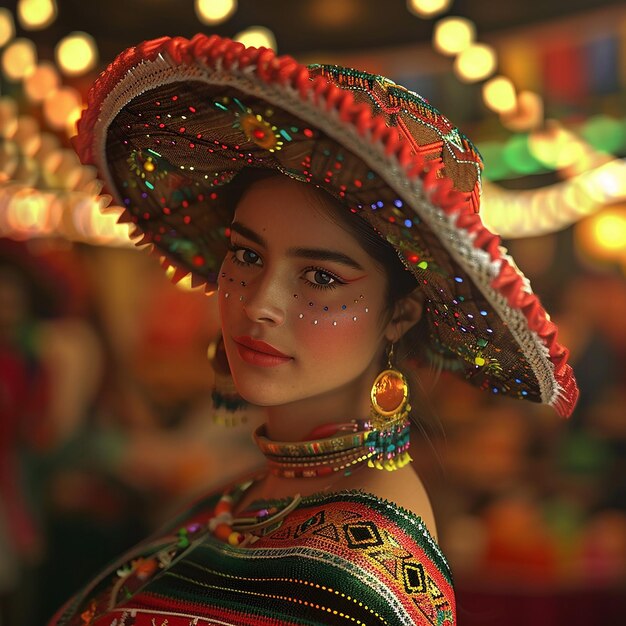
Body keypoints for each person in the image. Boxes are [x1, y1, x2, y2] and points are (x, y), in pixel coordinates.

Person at [50, 34, 578, 625]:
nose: (260, 306)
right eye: (247, 256)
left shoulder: (364, 576)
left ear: (401, 313)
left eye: (321, 278)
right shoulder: (255, 489)